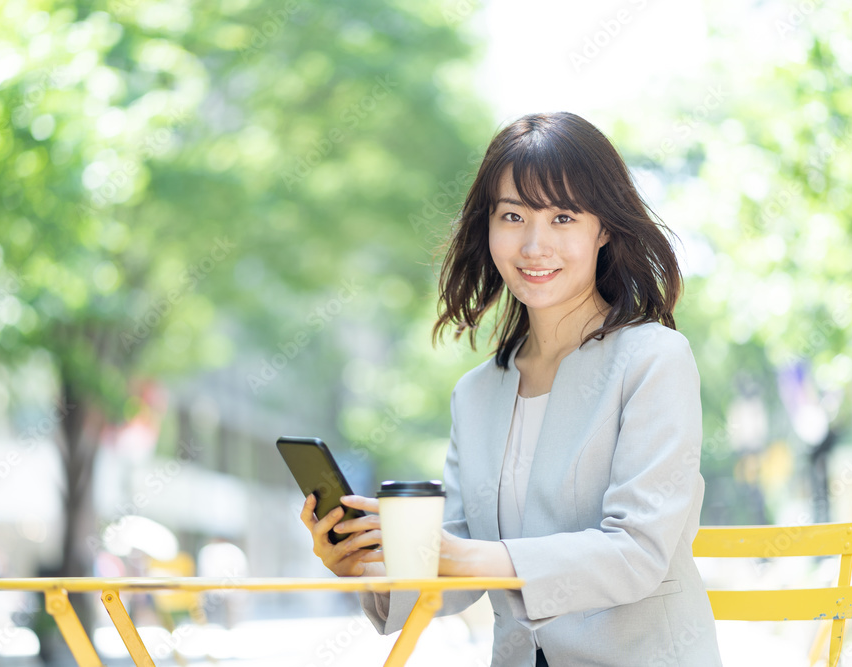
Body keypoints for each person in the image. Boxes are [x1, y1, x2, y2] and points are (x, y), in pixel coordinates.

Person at [299, 111, 723, 666]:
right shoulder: (477, 395)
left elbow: (637, 552)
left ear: (606, 229)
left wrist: (462, 555)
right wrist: (369, 564)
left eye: (563, 217)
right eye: (513, 216)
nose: (533, 245)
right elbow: (451, 574)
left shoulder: (654, 360)